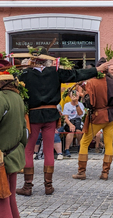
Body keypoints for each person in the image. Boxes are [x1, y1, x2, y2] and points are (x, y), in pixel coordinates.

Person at [16, 52, 103, 196]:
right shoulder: (55, 72)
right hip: (51, 114)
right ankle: (48, 186)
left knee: (29, 150)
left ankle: (28, 186)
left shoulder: (24, 74)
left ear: (34, 60)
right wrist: (96, 70)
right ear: (47, 61)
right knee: (49, 149)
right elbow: (76, 74)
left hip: (34, 115)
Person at [72, 59, 113, 181]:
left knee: (84, 142)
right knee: (109, 143)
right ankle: (105, 172)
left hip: (98, 116)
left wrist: (82, 95)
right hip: (111, 116)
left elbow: (89, 103)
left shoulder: (91, 83)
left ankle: (81, 172)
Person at [0, 63, 27, 218]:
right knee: (10, 198)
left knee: (2, 201)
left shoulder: (1, 98)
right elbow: (24, 130)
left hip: (2, 157)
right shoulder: (18, 97)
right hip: (14, 153)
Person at [61, 88, 85, 158]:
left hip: (78, 120)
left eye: (76, 95)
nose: (75, 96)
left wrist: (76, 103)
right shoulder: (67, 105)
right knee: (71, 131)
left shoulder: (80, 104)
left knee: (78, 130)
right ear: (70, 96)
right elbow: (65, 117)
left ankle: (80, 146)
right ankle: (66, 149)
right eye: (73, 95)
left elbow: (80, 114)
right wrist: (70, 124)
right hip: (69, 121)